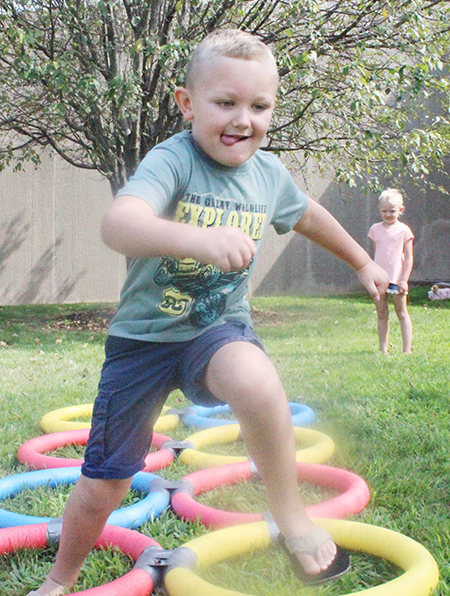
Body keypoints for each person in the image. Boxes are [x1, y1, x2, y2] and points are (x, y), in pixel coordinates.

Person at [28, 29, 389, 596]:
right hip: (142, 342)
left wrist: (363, 261)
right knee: (106, 484)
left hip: (215, 329)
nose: (243, 118)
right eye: (226, 102)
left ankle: (291, 518)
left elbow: (308, 216)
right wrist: (196, 240)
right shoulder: (172, 159)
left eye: (259, 106)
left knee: (256, 379)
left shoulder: (268, 175)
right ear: (187, 103)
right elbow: (117, 225)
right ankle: (59, 579)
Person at [369, 188, 414, 354]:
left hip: (397, 278)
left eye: (392, 211)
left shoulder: (404, 231)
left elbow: (408, 258)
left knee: (401, 313)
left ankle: (406, 350)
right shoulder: (375, 229)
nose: (388, 214)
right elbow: (377, 253)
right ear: (379, 210)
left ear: (400, 210)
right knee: (382, 314)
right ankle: (383, 350)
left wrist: (404, 279)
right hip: (380, 279)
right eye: (384, 211)